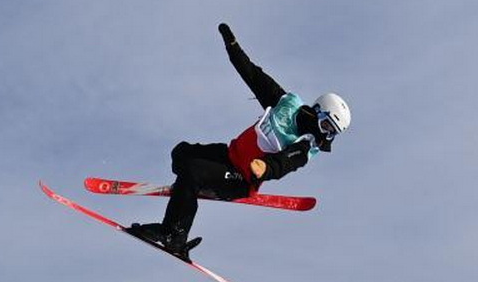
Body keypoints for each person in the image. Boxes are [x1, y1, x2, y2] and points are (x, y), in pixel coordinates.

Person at [130, 23, 351, 259]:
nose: (326, 135)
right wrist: (233, 48)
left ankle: (173, 234)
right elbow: (253, 76)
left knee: (193, 172)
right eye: (327, 125)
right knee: (181, 154)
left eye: (332, 133)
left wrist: (266, 167)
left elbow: (286, 163)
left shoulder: (306, 144)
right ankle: (186, 192)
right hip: (229, 155)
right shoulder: (287, 104)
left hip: (241, 179)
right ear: (318, 110)